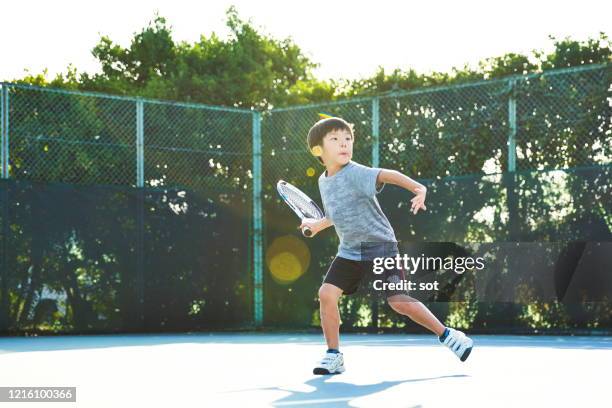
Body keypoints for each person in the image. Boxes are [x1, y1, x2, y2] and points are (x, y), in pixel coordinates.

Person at [300, 117, 473, 375]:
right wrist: (317, 225)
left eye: (348, 138)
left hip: (381, 247)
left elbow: (386, 175)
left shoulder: (355, 172)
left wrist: (418, 188)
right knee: (326, 294)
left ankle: (449, 335)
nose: (344, 144)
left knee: (399, 301)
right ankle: (334, 355)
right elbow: (337, 214)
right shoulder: (324, 182)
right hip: (349, 252)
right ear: (318, 150)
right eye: (335, 139)